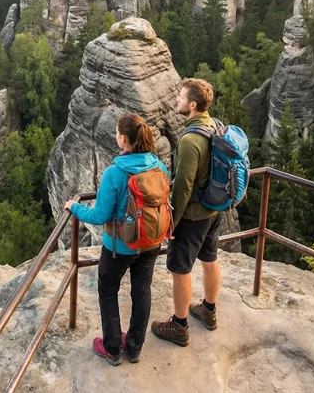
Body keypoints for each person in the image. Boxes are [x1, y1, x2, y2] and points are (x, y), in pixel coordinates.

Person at [64, 112, 169, 366]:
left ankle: (111, 348)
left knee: (108, 290)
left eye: (117, 133)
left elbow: (100, 215)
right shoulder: (159, 166)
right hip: (151, 242)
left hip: (119, 246)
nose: (115, 136)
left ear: (123, 139)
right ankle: (134, 347)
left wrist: (74, 207)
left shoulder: (114, 173)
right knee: (141, 291)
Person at [152, 78, 220, 347]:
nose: (176, 101)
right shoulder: (213, 125)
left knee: (180, 269)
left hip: (193, 215)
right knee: (210, 258)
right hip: (213, 209)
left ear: (192, 105)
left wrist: (171, 221)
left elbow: (182, 186)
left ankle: (179, 326)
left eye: (180, 97)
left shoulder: (191, 140)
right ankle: (209, 310)